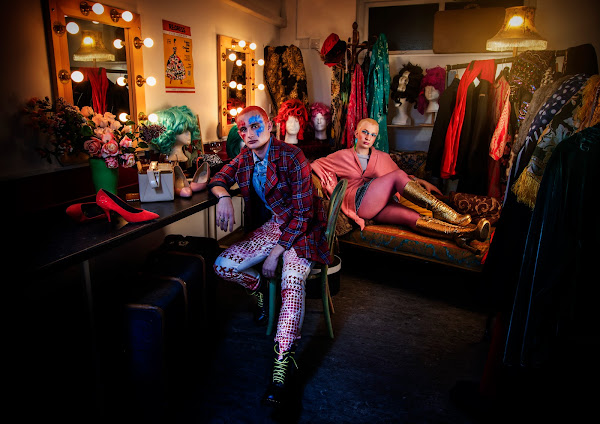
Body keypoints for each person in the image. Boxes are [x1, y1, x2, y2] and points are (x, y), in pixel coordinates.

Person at [209, 105, 331, 406]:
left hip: (302, 230)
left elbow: (303, 215)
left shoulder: (292, 156)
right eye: (243, 129)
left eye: (255, 126)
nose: (249, 133)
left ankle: (282, 366)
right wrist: (223, 196)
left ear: (270, 126)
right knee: (223, 266)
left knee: (291, 281)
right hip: (275, 225)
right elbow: (219, 176)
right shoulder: (245, 157)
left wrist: (276, 254)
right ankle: (259, 290)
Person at [311, 118, 490, 246]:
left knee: (411, 217)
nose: (367, 137)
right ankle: (452, 215)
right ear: (356, 133)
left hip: (380, 206)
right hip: (357, 203)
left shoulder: (382, 157)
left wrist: (419, 181)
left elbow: (401, 177)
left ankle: (462, 233)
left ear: (375, 138)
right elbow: (314, 166)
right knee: (397, 176)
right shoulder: (341, 155)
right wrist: (324, 184)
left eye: (372, 135)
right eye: (364, 132)